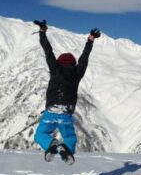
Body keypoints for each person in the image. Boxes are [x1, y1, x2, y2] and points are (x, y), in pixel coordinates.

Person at [33, 20, 100, 164]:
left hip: (51, 110)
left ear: (58, 62)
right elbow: (84, 59)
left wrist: (42, 32)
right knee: (69, 137)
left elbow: (48, 51)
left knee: (41, 134)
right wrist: (90, 41)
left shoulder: (55, 69)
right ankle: (66, 150)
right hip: (66, 112)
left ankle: (51, 144)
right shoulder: (77, 72)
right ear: (74, 64)